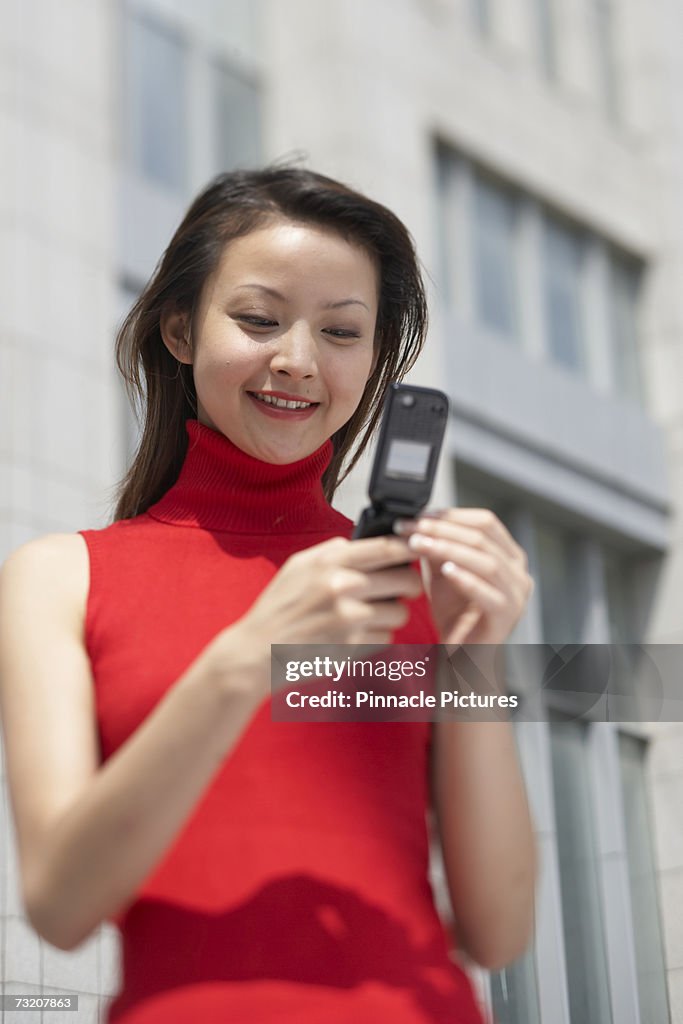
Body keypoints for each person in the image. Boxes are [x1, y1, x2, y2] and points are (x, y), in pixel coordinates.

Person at [0, 165, 537, 1023]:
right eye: (257, 319)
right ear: (179, 329)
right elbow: (61, 906)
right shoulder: (58, 578)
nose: (296, 361)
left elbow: (498, 930)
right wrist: (250, 657)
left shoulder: (413, 587)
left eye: (341, 332)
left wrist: (477, 653)